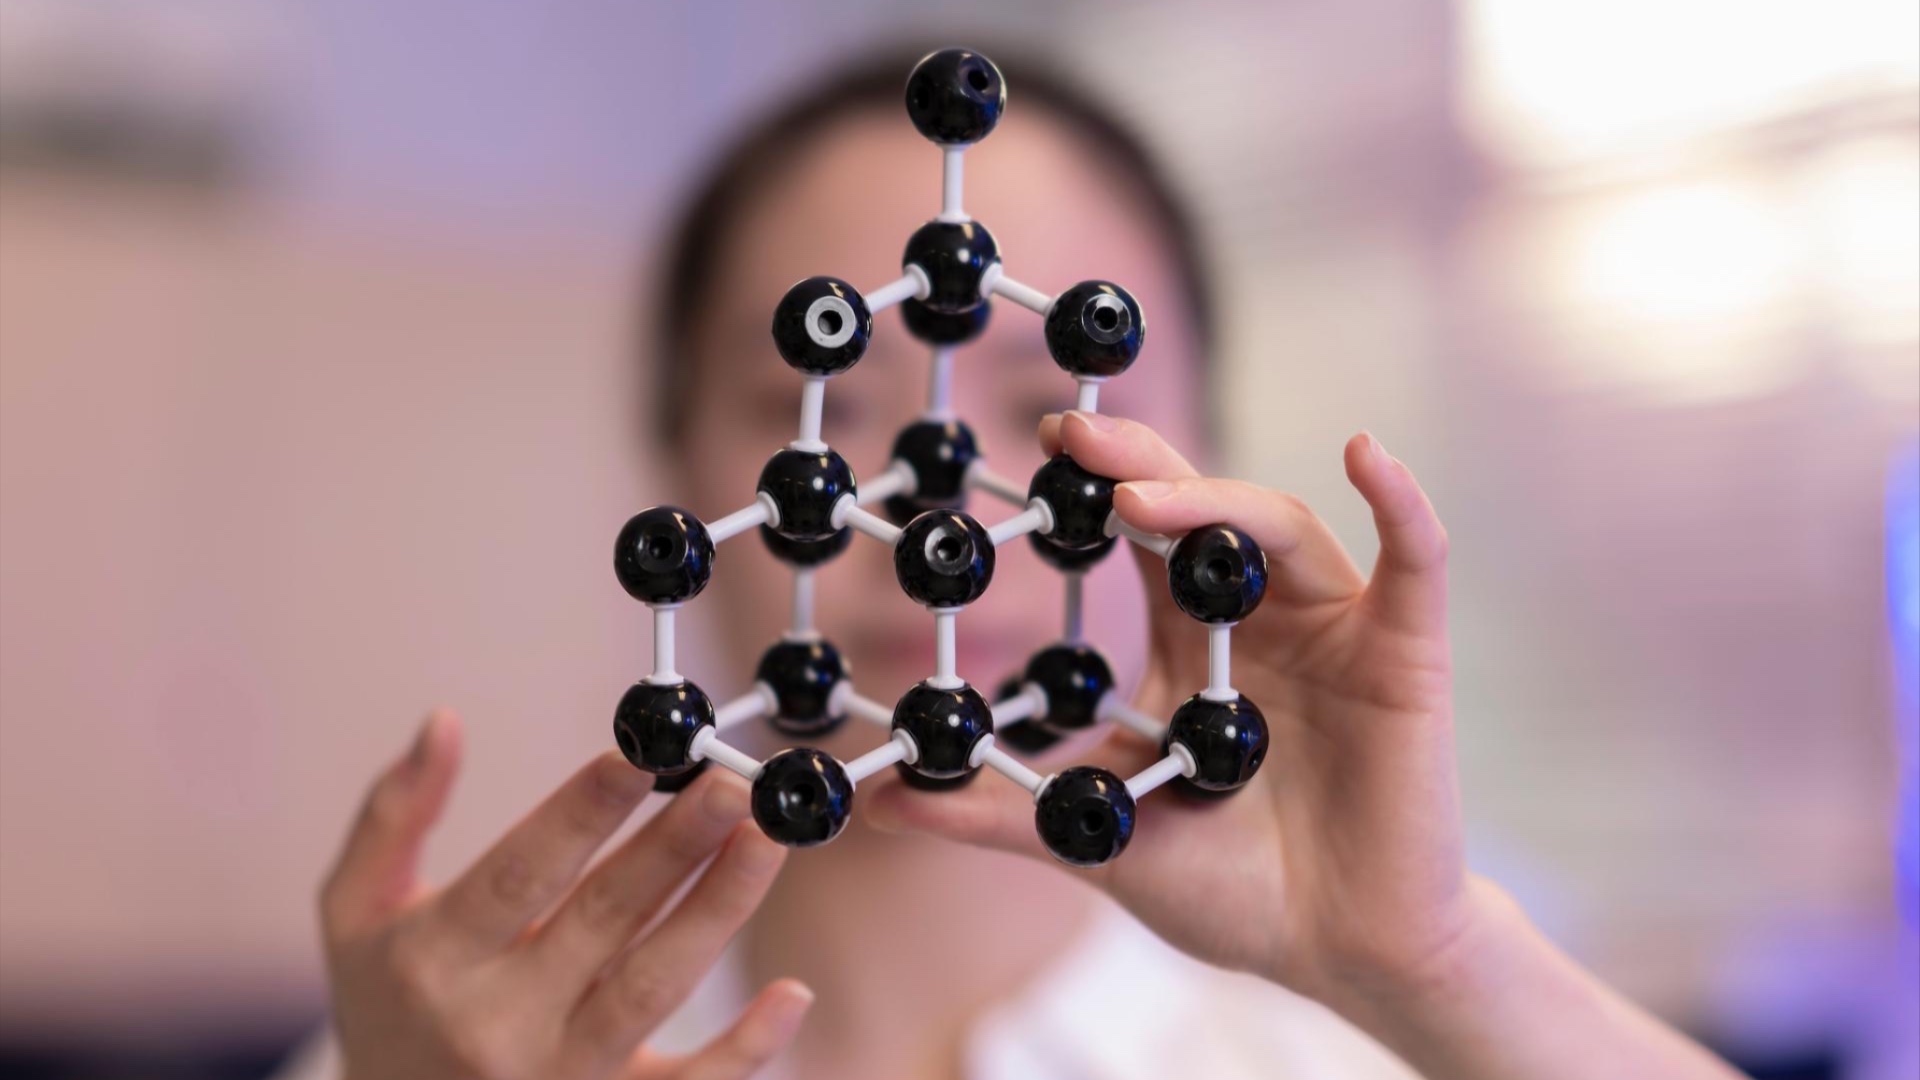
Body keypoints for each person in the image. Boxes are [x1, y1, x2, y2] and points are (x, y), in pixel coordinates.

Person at [285, 48, 1745, 1080]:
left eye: (1052, 405)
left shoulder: (1382, 1043)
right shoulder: (466, 1053)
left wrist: (1432, 973)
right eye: (825, 410)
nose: (946, 525)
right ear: (673, 467)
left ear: (1199, 459)